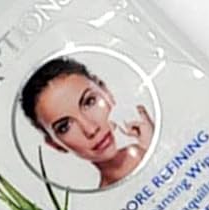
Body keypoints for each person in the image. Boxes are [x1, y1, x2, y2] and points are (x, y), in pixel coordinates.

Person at [19, 56, 154, 189]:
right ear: (55, 144)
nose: (91, 130)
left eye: (89, 102)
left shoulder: (155, 140)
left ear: (105, 91)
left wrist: (153, 147)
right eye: (65, 127)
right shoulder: (105, 203)